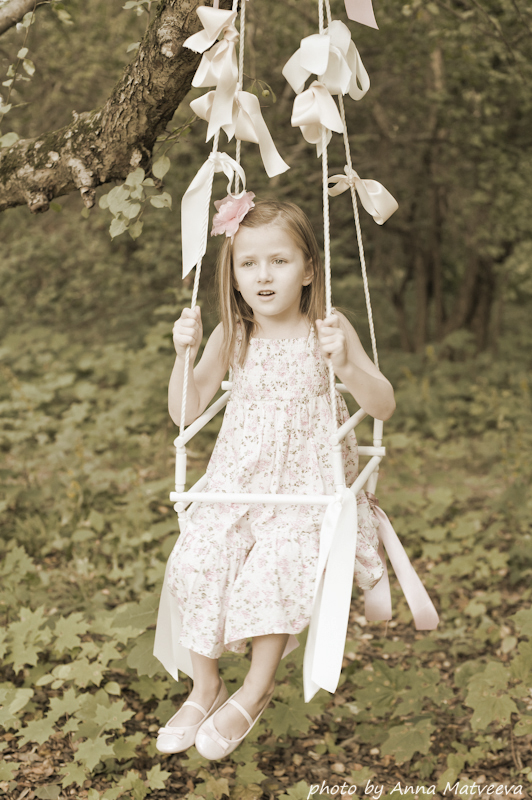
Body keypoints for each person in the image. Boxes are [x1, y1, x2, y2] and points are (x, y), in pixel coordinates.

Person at [153, 196, 395, 760]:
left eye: (279, 261)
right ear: (234, 275)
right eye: (249, 263)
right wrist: (183, 355)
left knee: (276, 567)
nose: (263, 275)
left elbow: (383, 404)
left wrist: (347, 365)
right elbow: (185, 410)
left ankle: (256, 690)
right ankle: (205, 686)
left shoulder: (326, 328)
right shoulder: (232, 334)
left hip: (306, 488)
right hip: (240, 480)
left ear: (308, 270)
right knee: (199, 556)